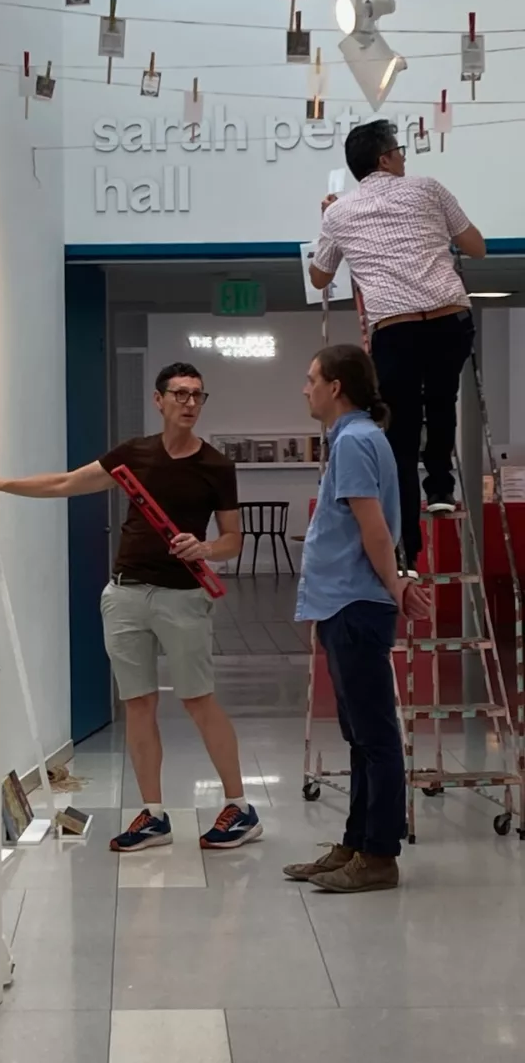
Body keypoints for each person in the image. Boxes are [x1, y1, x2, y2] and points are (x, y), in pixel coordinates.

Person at [0, 362, 263, 853]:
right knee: (138, 704)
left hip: (184, 597)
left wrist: (204, 549)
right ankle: (153, 815)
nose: (188, 403)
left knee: (198, 700)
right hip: (124, 595)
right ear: (158, 400)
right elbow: (66, 484)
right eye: (179, 394)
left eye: (197, 396)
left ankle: (241, 807)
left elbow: (232, 540)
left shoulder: (216, 466)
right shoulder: (133, 455)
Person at [309, 119, 486, 574]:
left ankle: (408, 550)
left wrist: (327, 218)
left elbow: (320, 276)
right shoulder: (428, 188)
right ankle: (442, 491)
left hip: (396, 326)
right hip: (450, 315)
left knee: (400, 435)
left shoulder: (339, 212)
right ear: (385, 158)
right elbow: (476, 247)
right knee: (442, 400)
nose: (405, 158)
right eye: (400, 150)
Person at [285, 345, 430, 893]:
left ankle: (379, 854)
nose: (305, 388)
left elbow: (374, 529)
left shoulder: (356, 440)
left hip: (356, 603)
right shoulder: (353, 439)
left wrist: (394, 586)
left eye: (310, 378)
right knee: (359, 735)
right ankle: (355, 842)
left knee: (375, 736)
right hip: (342, 602)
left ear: (336, 386)